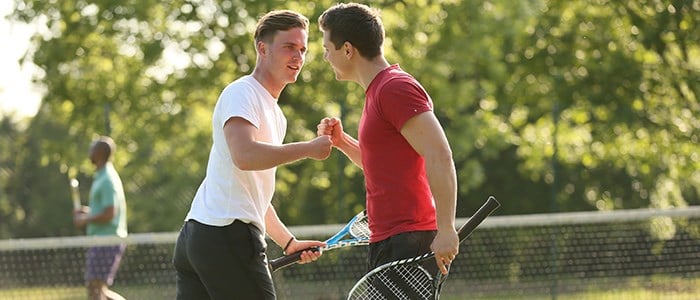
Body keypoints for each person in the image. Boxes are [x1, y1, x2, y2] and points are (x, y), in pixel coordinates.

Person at [172, 9, 333, 300]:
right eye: (289, 47)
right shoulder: (242, 93)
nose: (298, 57)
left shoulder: (276, 114)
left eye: (303, 49)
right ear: (262, 48)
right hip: (225, 236)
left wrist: (288, 242)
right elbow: (244, 155)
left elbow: (254, 195)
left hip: (202, 239)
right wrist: (309, 148)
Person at [316, 3, 460, 276]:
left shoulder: (395, 88)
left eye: (327, 49)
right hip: (390, 239)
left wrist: (446, 229)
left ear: (347, 50)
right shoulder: (377, 92)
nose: (325, 57)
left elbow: (439, 153)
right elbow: (381, 165)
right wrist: (342, 141)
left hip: (409, 239)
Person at [73, 136, 128, 300]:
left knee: (95, 289)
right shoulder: (102, 176)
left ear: (99, 153)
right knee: (97, 290)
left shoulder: (107, 179)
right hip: (101, 240)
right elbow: (104, 210)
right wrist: (87, 212)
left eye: (92, 149)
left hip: (107, 241)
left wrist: (84, 220)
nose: (89, 152)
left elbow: (110, 214)